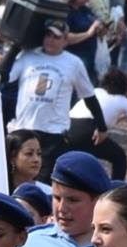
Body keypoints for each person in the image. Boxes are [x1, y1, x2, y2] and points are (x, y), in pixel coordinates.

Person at [9, 22, 97, 174]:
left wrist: (101, 126)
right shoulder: (28, 55)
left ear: (65, 40)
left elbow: (89, 95)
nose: (50, 40)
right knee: (17, 174)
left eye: (56, 37)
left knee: (45, 178)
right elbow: (4, 77)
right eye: (48, 35)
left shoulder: (74, 63)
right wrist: (15, 47)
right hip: (25, 127)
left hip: (54, 131)